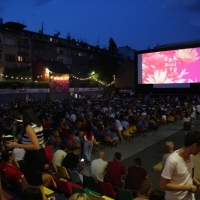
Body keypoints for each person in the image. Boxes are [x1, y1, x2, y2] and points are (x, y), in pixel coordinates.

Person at [6, 107, 47, 200]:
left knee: (38, 188)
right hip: (36, 155)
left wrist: (16, 145)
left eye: (21, 115)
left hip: (34, 157)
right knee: (25, 182)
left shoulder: (29, 127)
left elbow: (36, 146)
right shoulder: (37, 124)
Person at [160, 130, 200, 200]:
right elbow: (163, 185)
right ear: (195, 145)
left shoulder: (190, 156)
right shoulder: (172, 161)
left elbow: (188, 174)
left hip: (189, 197)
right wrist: (189, 187)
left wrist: (198, 183)